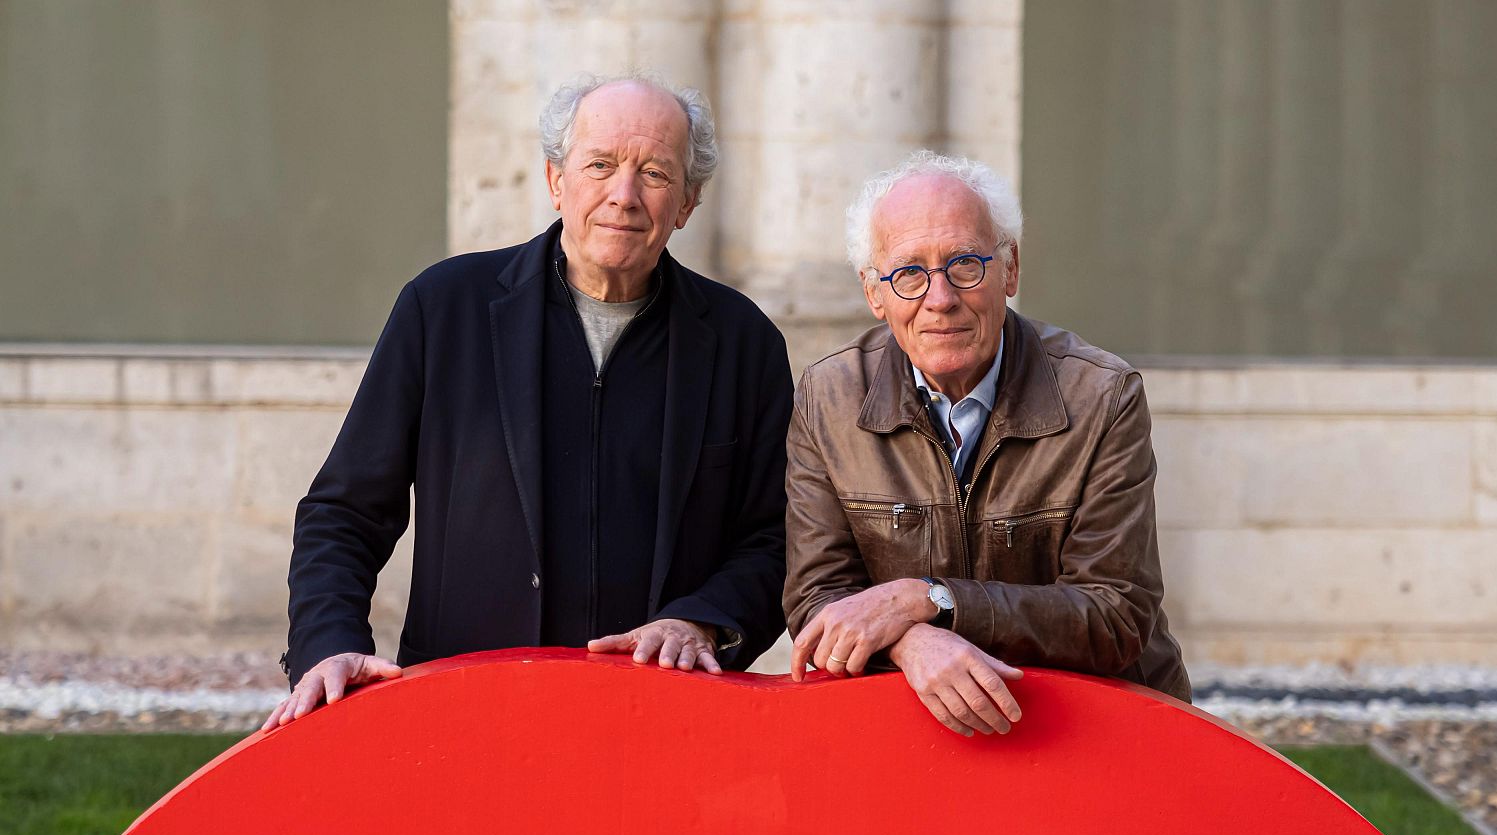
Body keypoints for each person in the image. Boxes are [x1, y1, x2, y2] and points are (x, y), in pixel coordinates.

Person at [264, 74, 792, 730]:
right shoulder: (443, 309)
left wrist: (703, 621)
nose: (623, 196)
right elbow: (344, 512)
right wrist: (330, 644)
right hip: (464, 710)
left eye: (654, 173)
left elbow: (776, 539)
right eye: (599, 165)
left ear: (688, 201)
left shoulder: (746, 344)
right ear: (555, 179)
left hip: (668, 717)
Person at [783, 151, 1189, 737]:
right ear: (875, 294)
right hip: (915, 724)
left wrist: (932, 601)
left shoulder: (1102, 396)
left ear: (1011, 270)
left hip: (1100, 725)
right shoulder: (829, 398)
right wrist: (914, 642)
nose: (940, 298)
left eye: (965, 264)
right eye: (908, 274)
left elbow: (1115, 615)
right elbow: (818, 601)